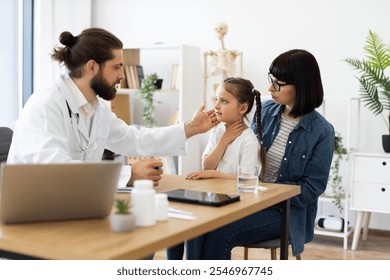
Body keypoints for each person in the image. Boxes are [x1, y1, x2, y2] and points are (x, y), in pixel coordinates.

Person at [7, 28, 218, 186]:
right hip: (32, 218)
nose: (122, 76)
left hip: (72, 205)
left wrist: (192, 128)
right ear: (92, 67)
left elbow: (133, 139)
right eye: (117, 67)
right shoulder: (46, 106)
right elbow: (56, 170)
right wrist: (128, 175)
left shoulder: (95, 108)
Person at [185, 49, 335, 259]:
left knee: (220, 231)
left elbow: (312, 189)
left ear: (300, 86)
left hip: (284, 213)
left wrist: (265, 192)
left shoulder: (322, 132)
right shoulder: (264, 110)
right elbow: (243, 150)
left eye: (278, 84)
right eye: (271, 80)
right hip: (248, 200)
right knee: (198, 222)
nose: (270, 88)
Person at [167, 77, 266, 259]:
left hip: (236, 205)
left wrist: (213, 174)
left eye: (224, 101)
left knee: (196, 224)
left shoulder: (249, 140)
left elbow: (248, 180)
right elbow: (207, 165)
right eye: (216, 100)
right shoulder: (219, 131)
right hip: (215, 201)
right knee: (180, 219)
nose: (217, 106)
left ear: (242, 108)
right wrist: (224, 140)